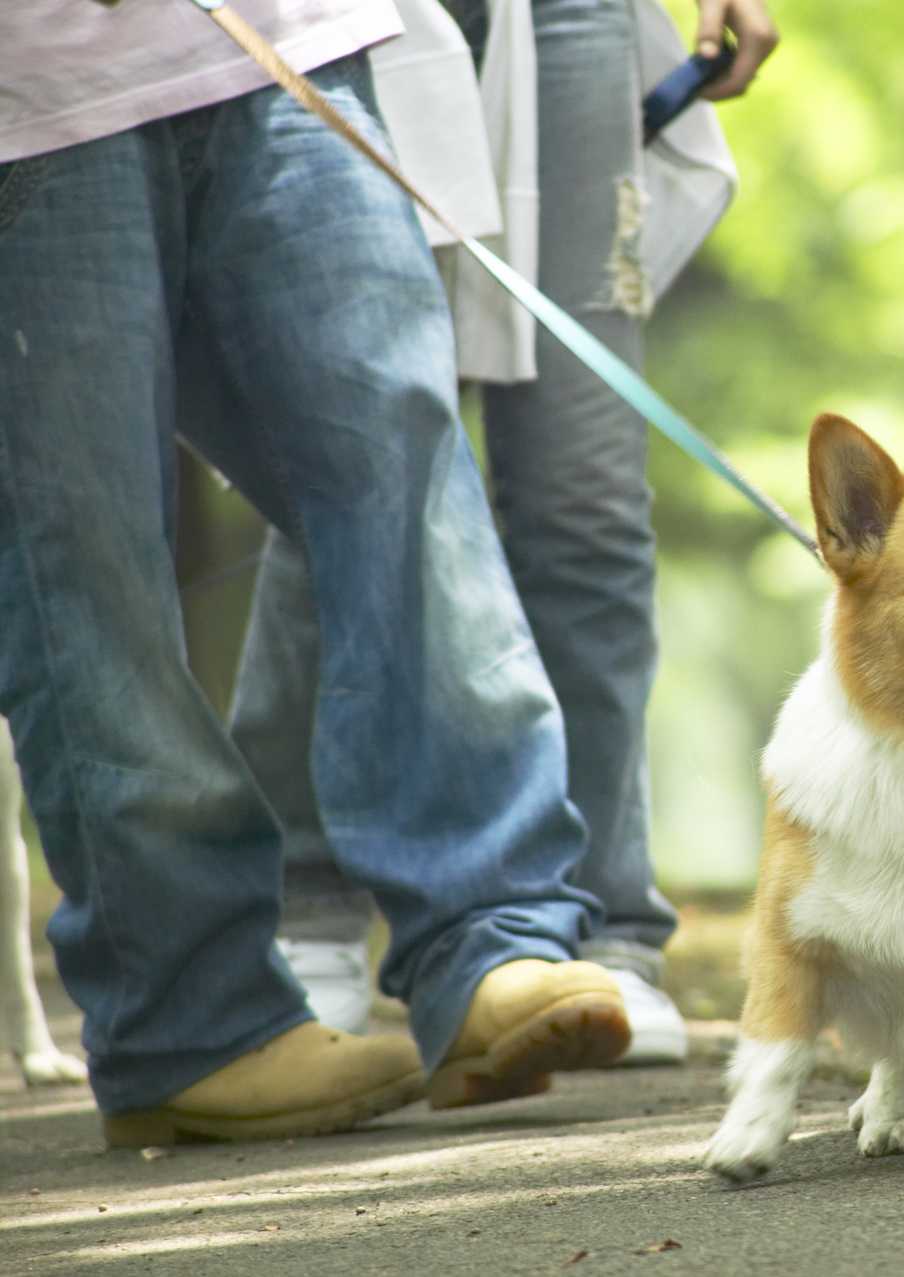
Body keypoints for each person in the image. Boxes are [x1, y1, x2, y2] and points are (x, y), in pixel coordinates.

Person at [0, 0, 635, 1143]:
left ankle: (491, 935)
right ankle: (194, 1019)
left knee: (404, 464)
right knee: (84, 566)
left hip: (286, 37)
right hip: (25, 103)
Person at [242, 0, 778, 1064]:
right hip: (343, 19)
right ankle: (305, 907)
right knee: (351, 471)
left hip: (573, 21)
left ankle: (605, 925)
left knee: (589, 502)